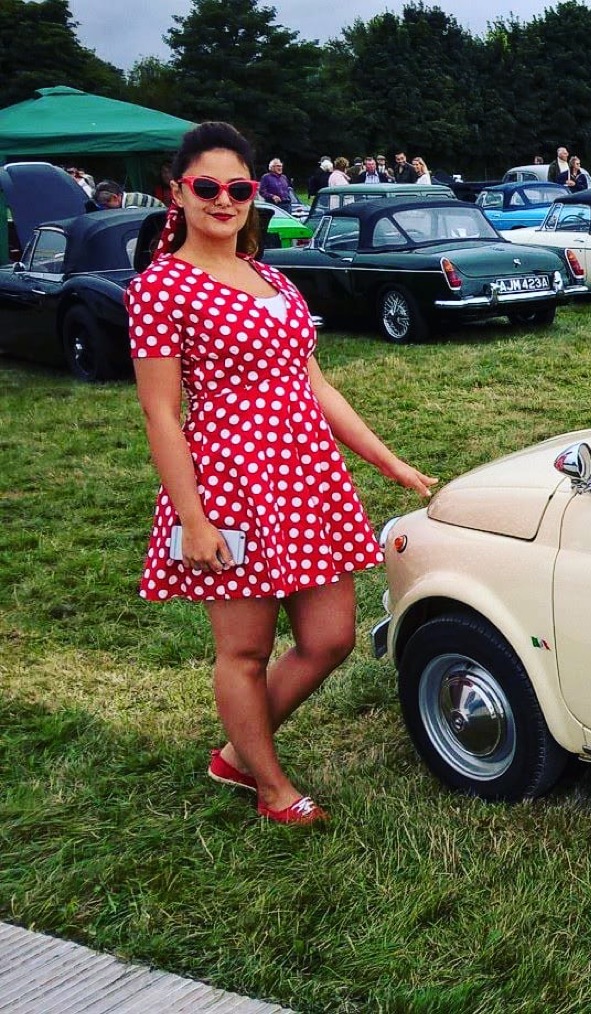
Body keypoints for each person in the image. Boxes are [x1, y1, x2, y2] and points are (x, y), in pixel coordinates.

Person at [126, 121, 435, 826]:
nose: (224, 200)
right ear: (178, 191)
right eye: (207, 186)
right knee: (243, 650)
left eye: (238, 187)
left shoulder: (270, 276)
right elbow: (160, 416)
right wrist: (194, 521)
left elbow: (316, 386)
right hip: (228, 485)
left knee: (331, 637)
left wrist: (388, 461)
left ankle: (237, 750)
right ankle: (267, 786)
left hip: (304, 478)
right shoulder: (161, 289)